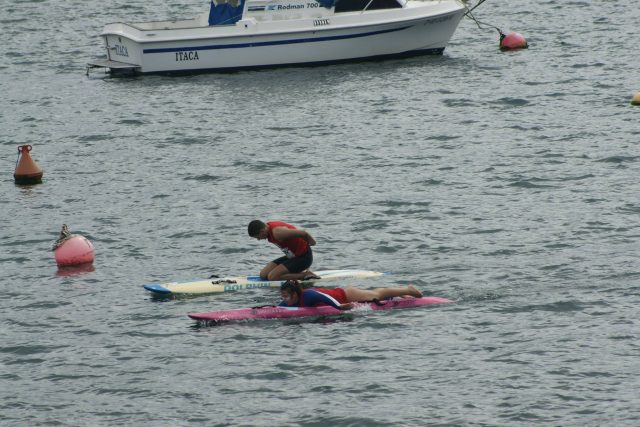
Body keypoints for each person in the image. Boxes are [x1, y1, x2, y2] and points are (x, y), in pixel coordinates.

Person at [279, 280, 423, 311]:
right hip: (339, 297)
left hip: (345, 294)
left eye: (286, 296)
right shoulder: (289, 302)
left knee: (376, 295)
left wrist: (338, 306)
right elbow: (279, 307)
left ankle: (408, 290)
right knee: (375, 295)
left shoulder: (308, 294)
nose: (284, 299)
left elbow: (326, 299)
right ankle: (399, 295)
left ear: (295, 294)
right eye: (283, 296)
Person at [248, 219, 319, 281]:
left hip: (304, 258)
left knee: (272, 277)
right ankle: (287, 274)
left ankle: (305, 275)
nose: (258, 239)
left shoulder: (277, 233)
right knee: (263, 275)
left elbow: (303, 233)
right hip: (293, 256)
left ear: (262, 231)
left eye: (257, 237)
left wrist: (313, 243)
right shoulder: (268, 227)